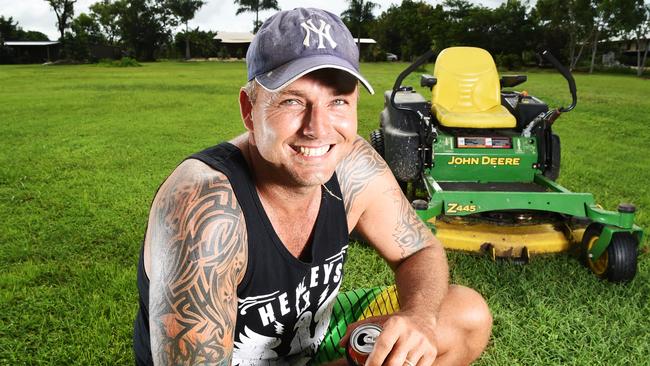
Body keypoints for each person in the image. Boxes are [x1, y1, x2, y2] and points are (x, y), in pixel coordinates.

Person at [133, 7, 492, 366]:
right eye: (292, 101)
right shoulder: (205, 206)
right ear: (249, 109)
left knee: (466, 316)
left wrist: (418, 317)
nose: (318, 128)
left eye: (337, 101)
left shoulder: (353, 166)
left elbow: (420, 251)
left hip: (309, 342)